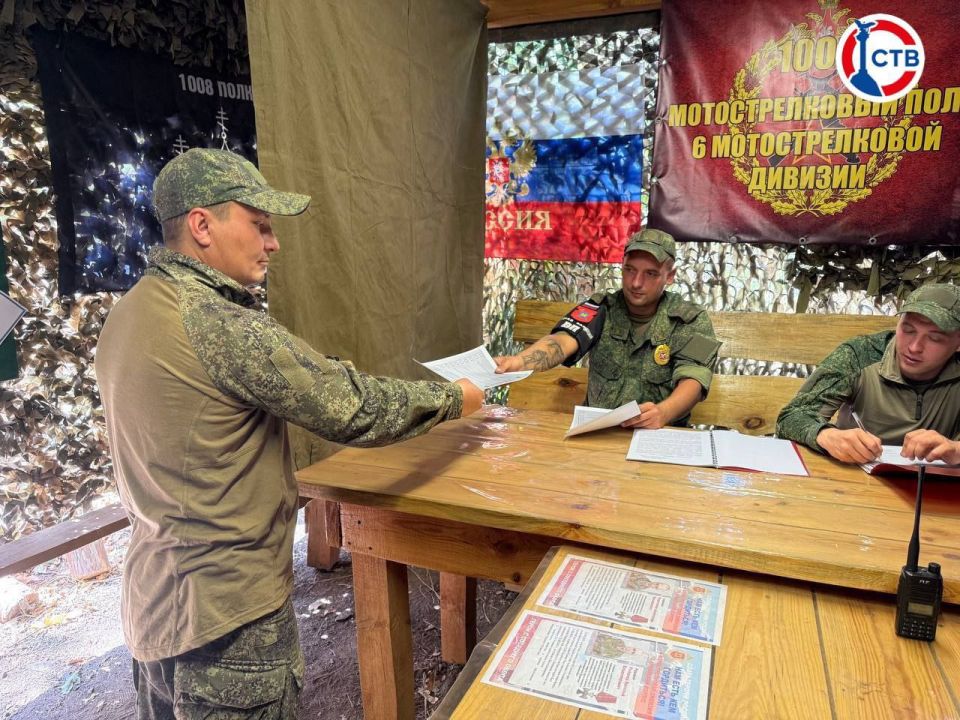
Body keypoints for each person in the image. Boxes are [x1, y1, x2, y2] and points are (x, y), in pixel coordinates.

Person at [94, 148, 484, 719]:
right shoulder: (219, 324)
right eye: (259, 224)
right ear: (201, 225)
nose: (272, 243)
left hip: (154, 606)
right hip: (231, 620)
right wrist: (457, 397)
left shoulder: (131, 311)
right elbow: (353, 407)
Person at [495, 228, 719, 428]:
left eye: (650, 274)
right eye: (630, 270)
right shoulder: (601, 308)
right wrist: (518, 362)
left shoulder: (690, 320)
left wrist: (663, 413)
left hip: (658, 433)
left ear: (669, 276)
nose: (636, 283)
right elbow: (562, 341)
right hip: (599, 430)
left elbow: (694, 379)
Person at [776, 283, 960, 465]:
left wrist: (956, 450)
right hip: (852, 474)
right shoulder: (861, 354)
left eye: (935, 338)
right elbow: (791, 417)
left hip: (934, 480)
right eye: (908, 329)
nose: (914, 347)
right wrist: (826, 435)